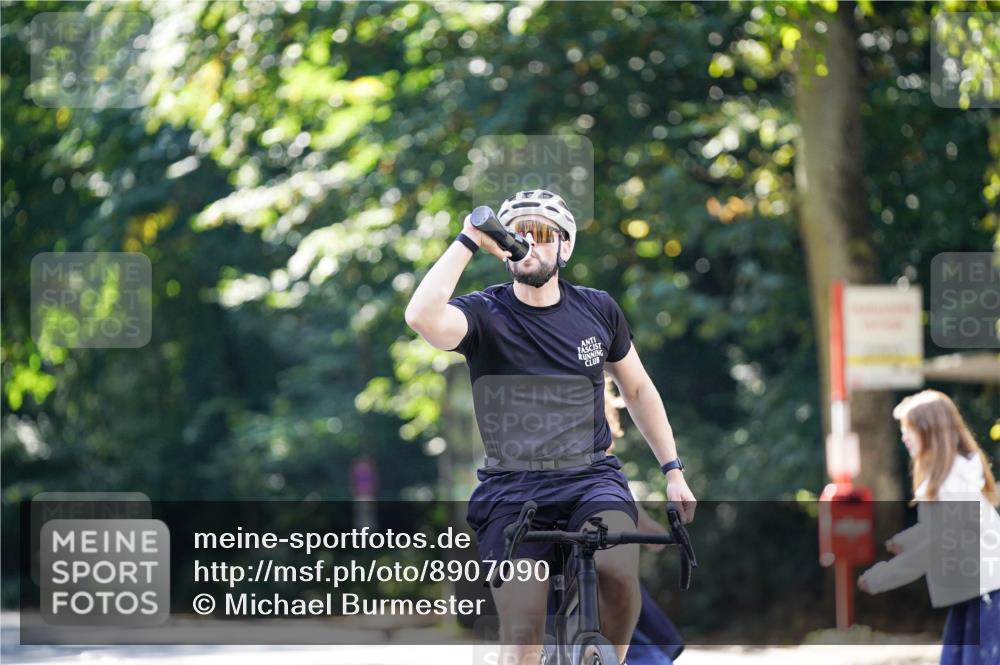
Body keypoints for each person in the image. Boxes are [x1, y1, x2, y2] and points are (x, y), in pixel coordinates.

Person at [404, 189, 696, 665]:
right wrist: (468, 238)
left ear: (566, 247)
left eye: (541, 234)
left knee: (620, 576)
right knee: (522, 637)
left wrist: (673, 470)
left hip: (590, 478)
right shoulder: (483, 313)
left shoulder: (598, 309)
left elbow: (639, 391)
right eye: (517, 233)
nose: (528, 243)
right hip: (512, 489)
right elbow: (420, 317)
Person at [857, 390, 1000, 665]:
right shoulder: (953, 479)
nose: (904, 437)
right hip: (975, 594)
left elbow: (936, 547)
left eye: (908, 430)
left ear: (928, 430)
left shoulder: (952, 483)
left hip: (986, 596)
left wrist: (884, 576)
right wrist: (908, 540)